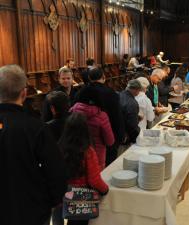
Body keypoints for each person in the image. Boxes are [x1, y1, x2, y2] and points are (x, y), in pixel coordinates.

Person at [0, 65, 67, 225]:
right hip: (31, 208)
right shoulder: (35, 127)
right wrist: (54, 201)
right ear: (24, 93)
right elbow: (55, 169)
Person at [59, 112, 109, 225]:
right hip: (84, 198)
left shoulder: (60, 147)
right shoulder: (87, 151)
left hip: (66, 195)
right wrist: (105, 189)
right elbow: (94, 179)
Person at [76, 68, 125, 166]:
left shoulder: (81, 92)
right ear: (103, 77)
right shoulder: (110, 93)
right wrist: (120, 135)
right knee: (108, 166)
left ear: (89, 78)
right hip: (108, 135)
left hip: (86, 136)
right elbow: (117, 116)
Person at [70, 85, 115, 169]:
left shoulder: (72, 111)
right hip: (96, 156)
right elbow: (110, 141)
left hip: (76, 155)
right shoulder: (101, 116)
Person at [120, 79, 142, 144]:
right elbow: (132, 125)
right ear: (135, 90)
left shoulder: (118, 95)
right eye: (139, 91)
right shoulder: (132, 103)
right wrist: (136, 137)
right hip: (125, 136)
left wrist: (136, 117)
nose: (139, 93)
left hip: (116, 132)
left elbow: (123, 114)